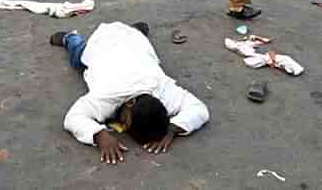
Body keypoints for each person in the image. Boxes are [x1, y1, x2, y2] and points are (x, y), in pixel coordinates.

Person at [51, 21, 209, 164]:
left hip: (135, 40)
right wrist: (99, 135)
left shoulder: (163, 90)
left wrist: (173, 129)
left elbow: (199, 109)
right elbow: (72, 118)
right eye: (126, 122)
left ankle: (134, 30)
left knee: (134, 38)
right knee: (79, 57)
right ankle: (70, 38)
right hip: (103, 41)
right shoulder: (107, 95)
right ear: (130, 102)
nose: (123, 127)